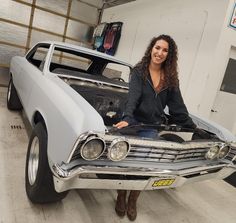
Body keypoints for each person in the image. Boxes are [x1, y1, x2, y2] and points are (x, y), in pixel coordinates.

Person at [114, 34, 196, 221]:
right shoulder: (138, 71)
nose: (159, 52)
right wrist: (127, 118)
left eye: (164, 50)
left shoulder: (171, 79)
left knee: (144, 166)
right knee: (128, 164)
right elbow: (133, 97)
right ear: (151, 48)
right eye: (157, 48)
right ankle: (121, 195)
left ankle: (133, 199)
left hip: (152, 126)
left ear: (169, 54)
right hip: (133, 122)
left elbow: (177, 106)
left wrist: (191, 126)